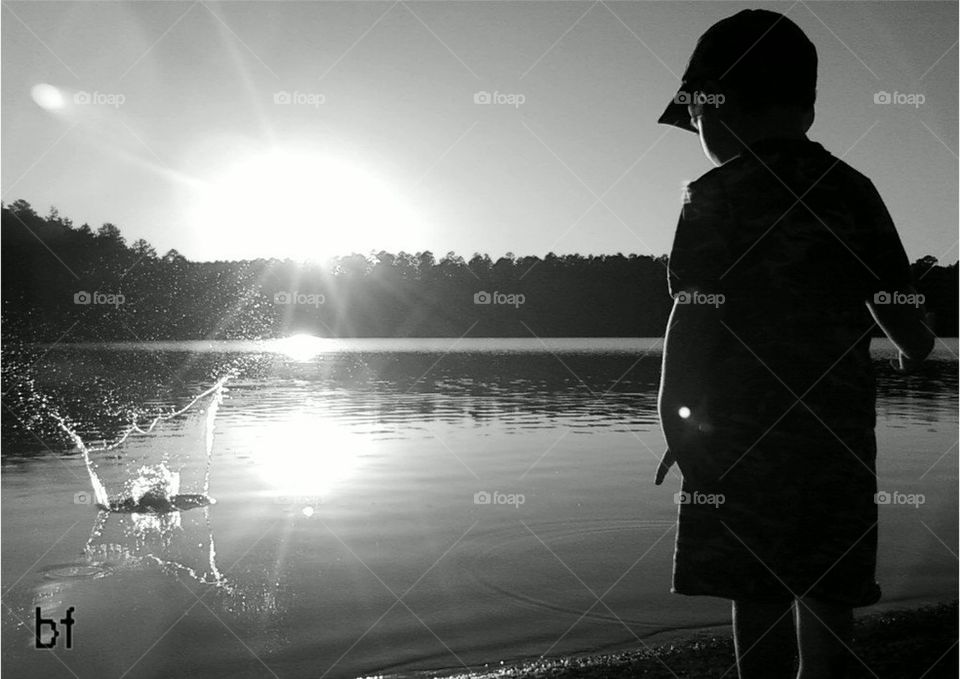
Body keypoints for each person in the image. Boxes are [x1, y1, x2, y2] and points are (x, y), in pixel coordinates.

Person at [652, 9, 935, 679]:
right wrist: (915, 337)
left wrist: (678, 424)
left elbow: (691, 326)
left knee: (760, 603)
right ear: (805, 109)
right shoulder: (855, 194)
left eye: (694, 120)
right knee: (831, 599)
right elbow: (910, 332)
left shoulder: (712, 198)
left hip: (740, 450)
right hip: (834, 451)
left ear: (714, 110)